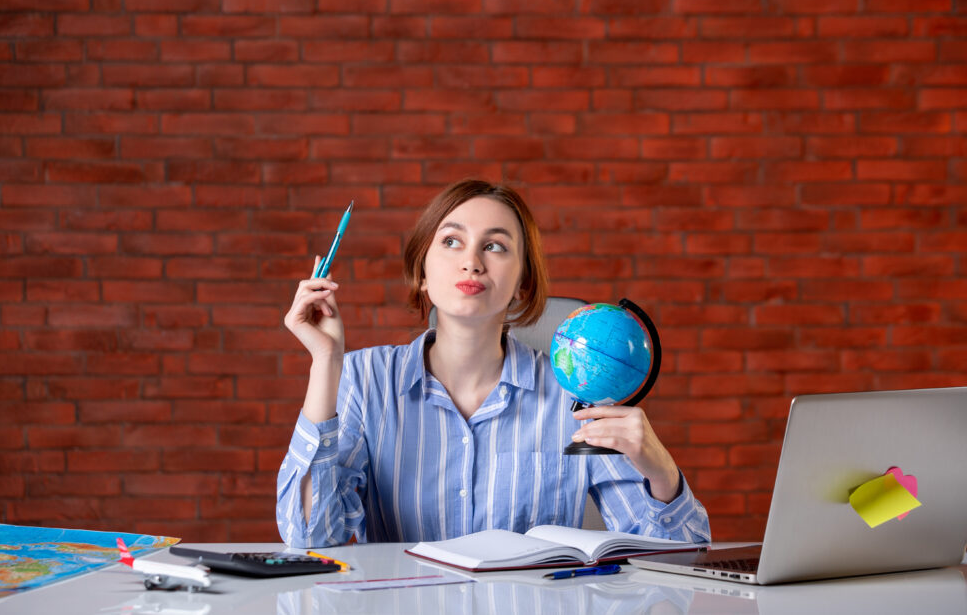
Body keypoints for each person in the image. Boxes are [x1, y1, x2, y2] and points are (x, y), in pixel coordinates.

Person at [276, 179, 710, 547]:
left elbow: (678, 555)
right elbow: (309, 536)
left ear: (523, 281)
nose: (472, 261)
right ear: (422, 272)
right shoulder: (363, 379)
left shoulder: (574, 393)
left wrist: (660, 468)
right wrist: (326, 363)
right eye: (451, 241)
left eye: (496, 246)